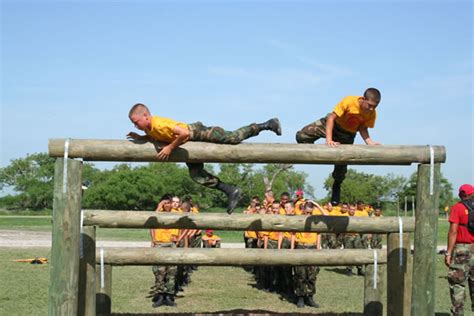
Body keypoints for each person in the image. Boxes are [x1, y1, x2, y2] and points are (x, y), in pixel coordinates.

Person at [127, 103, 282, 214]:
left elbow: (184, 134)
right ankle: (230, 190)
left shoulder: (159, 124)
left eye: (136, 122)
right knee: (196, 175)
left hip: (197, 132)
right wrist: (141, 136)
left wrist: (169, 148)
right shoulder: (150, 127)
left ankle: (266, 124)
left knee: (233, 138)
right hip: (189, 144)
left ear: (146, 115)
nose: (136, 125)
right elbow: (157, 135)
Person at [295, 88, 381, 205]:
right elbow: (331, 118)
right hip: (331, 125)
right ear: (363, 99)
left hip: (347, 135)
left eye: (375, 106)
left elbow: (362, 127)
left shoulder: (372, 113)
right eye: (370, 105)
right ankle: (315, 151)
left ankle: (337, 185)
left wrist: (369, 142)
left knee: (342, 166)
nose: (371, 109)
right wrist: (329, 140)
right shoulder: (349, 101)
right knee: (301, 136)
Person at [446, 184, 474, 315]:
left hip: (461, 250)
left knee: (457, 285)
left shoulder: (457, 208)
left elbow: (453, 231)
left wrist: (448, 253)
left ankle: (458, 312)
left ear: (460, 194)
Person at [150, 195, 179, 307]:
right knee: (159, 271)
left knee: (172, 271)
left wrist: (177, 238)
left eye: (169, 203)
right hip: (159, 244)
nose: (167, 205)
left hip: (171, 244)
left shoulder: (176, 213)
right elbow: (151, 223)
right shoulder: (158, 213)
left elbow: (182, 226)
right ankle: (159, 295)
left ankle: (169, 295)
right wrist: (159, 206)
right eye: (165, 203)